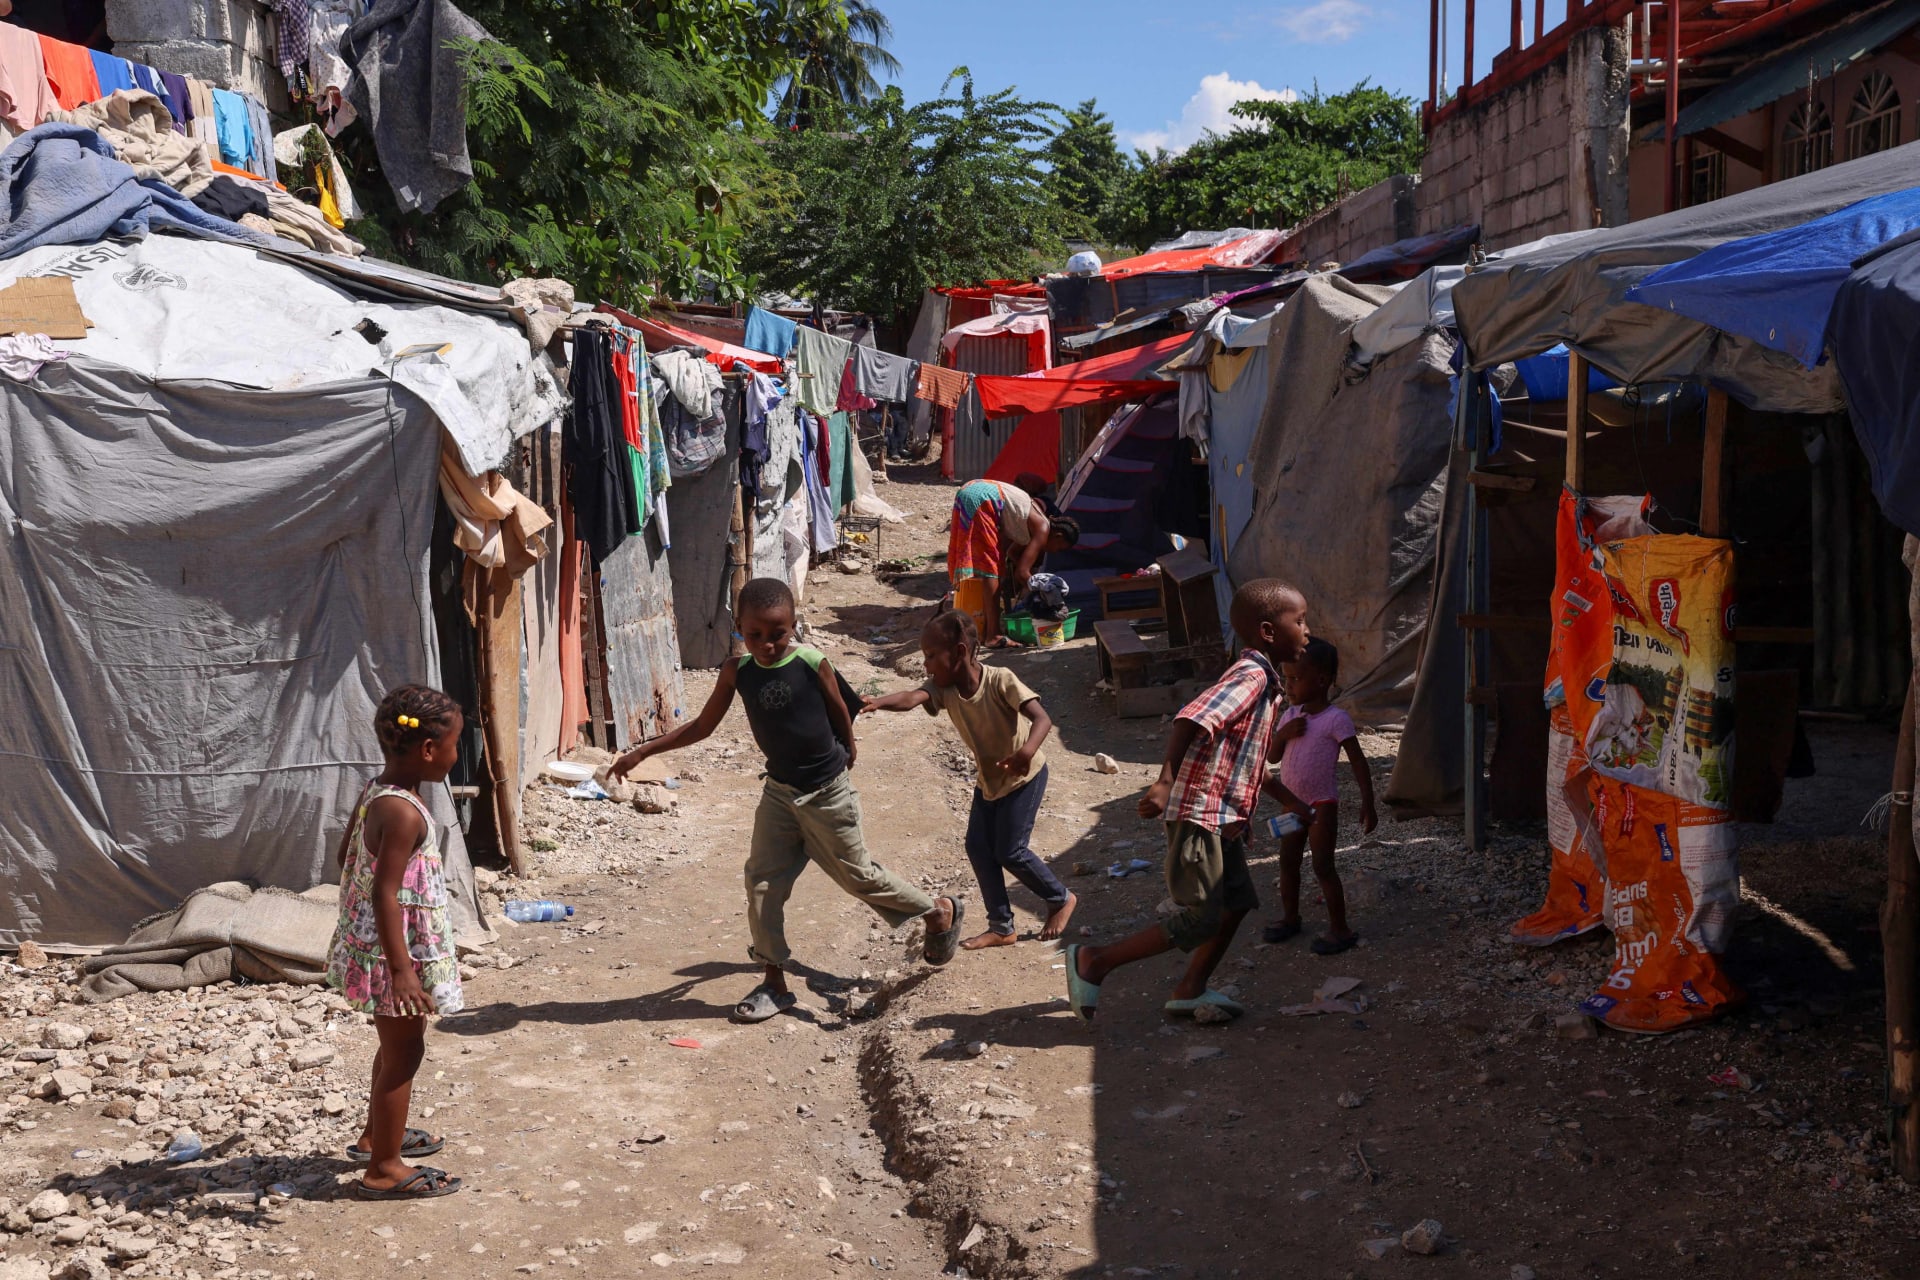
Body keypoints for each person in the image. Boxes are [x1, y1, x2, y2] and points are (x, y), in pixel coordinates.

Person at [611, 578, 964, 1022]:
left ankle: (937, 911)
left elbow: (841, 705)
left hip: (827, 794)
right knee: (761, 883)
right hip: (779, 794)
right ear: (738, 627)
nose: (767, 644)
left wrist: (849, 745)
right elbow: (703, 726)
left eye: (778, 633)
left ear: (794, 626)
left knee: (859, 877)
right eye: (754, 634)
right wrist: (644, 751)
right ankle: (774, 981)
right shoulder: (736, 672)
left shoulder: (813, 662)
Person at [1064, 580, 1310, 1023]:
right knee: (1201, 917)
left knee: (1235, 904)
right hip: (1201, 813)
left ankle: (1190, 988)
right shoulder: (1252, 676)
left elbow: (1253, 766)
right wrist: (1164, 782)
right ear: (1269, 631)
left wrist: (1294, 803)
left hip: (1225, 819)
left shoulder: (1269, 688)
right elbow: (1194, 718)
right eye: (1301, 621)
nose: (1308, 631)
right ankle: (1095, 961)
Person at [862, 610, 1076, 950]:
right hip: (990, 781)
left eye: (931, 656)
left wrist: (1026, 752)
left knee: (1010, 851)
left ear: (960, 652)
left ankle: (1060, 898)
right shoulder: (942, 689)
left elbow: (1041, 718)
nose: (926, 665)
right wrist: (877, 702)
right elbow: (911, 698)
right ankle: (1002, 926)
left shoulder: (1000, 679)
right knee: (978, 847)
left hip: (1025, 775)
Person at [326, 684, 467, 1201]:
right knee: (405, 1052)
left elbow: (347, 855)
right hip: (395, 956)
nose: (457, 754)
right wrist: (404, 970)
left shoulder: (375, 794)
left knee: (393, 1047)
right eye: (455, 744)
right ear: (429, 750)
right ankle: (384, 1167)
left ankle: (374, 1136)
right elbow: (386, 892)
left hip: (378, 949)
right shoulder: (405, 812)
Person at [1264, 638, 1377, 954]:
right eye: (1286, 678)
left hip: (1321, 804)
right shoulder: (1290, 717)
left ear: (1322, 681)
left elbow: (1358, 760)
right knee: (1287, 863)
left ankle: (1340, 930)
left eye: (1296, 678)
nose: (1289, 685)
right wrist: (1282, 734)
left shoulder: (1335, 719)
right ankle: (1290, 918)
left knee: (1323, 866)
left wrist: (1368, 802)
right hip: (1291, 803)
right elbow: (1272, 758)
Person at [947, 478, 1079, 647]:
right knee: (991, 570)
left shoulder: (1036, 522)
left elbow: (1012, 553)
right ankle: (993, 636)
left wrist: (1028, 581)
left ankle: (987, 629)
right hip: (984, 499)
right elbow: (1021, 573)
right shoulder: (1043, 529)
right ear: (1058, 536)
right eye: (1059, 548)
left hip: (973, 490)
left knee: (994, 568)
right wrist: (1045, 596)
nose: (1054, 552)